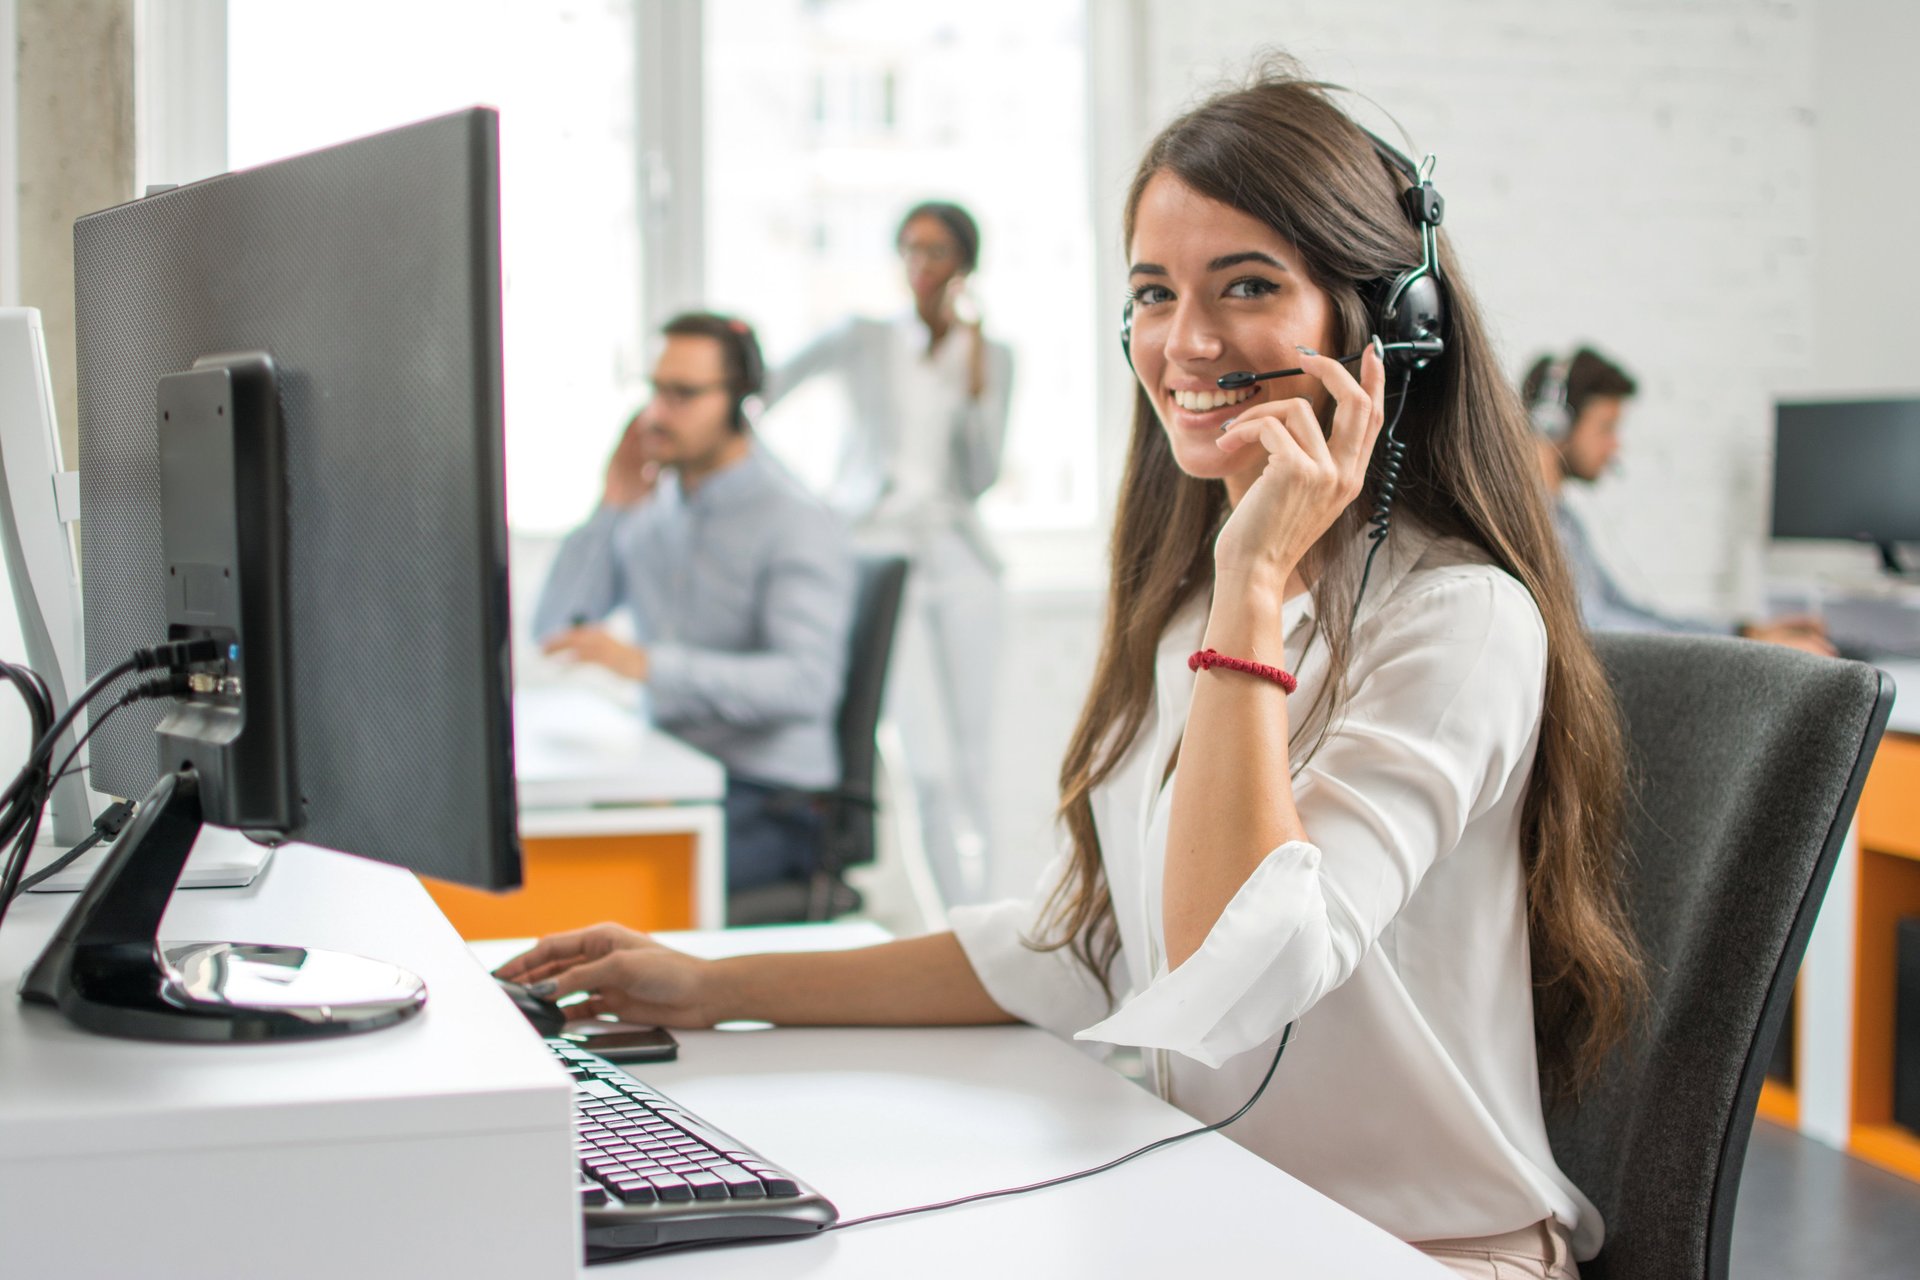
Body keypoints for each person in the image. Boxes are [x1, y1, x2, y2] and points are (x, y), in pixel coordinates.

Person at [502, 65, 1646, 1278]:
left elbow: (1232, 973)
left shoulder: (1458, 621)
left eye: (1247, 286)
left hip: (1423, 1249)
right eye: (1154, 293)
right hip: (1221, 1214)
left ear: (1386, 330)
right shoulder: (1198, 604)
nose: (1185, 342)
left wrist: (1256, 574)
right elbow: (1085, 943)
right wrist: (712, 979)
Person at [533, 312, 857, 894]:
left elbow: (807, 684)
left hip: (769, 799)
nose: (657, 413)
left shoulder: (795, 519)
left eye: (683, 394)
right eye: (655, 390)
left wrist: (649, 665)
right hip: (670, 774)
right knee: (541, 853)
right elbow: (555, 630)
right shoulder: (653, 508)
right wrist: (611, 506)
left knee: (593, 888)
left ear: (739, 402)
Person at [758, 201, 1014, 906]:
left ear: (963, 264)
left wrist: (976, 384)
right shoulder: (863, 339)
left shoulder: (992, 357)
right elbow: (762, 394)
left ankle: (987, 919)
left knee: (973, 761)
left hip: (958, 556)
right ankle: (948, 927)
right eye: (909, 249)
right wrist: (815, 505)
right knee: (923, 762)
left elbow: (982, 475)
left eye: (934, 252)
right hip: (877, 549)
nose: (919, 266)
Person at [1523, 347, 1833, 654]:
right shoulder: (1530, 525)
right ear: (1553, 423)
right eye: (1606, 427)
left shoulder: (1565, 522)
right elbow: (1596, 629)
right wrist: (1748, 651)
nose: (1615, 447)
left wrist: (1744, 633)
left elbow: (1627, 612)